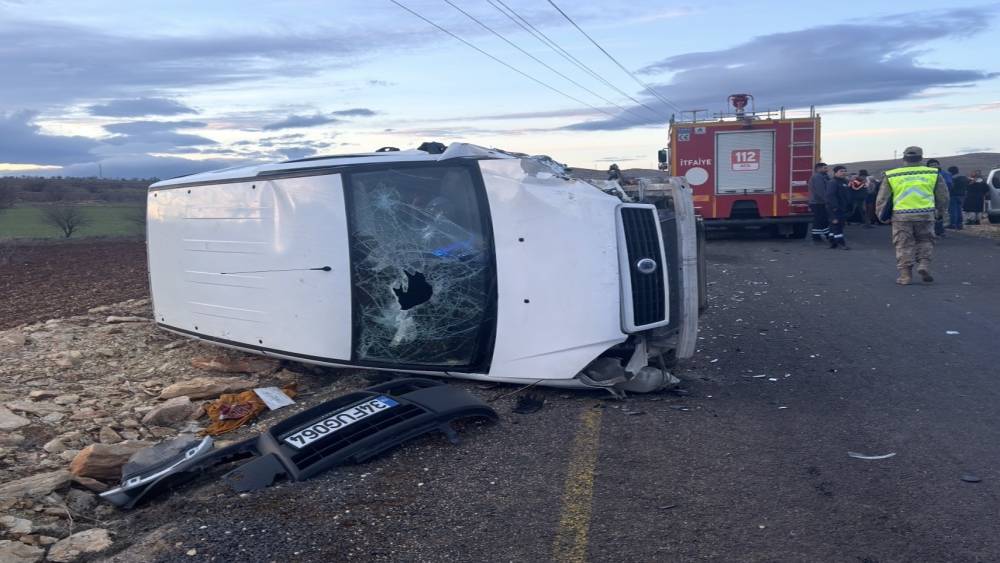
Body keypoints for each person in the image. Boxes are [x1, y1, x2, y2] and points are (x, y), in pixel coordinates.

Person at [876, 146, 948, 285]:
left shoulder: (892, 175)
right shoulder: (933, 173)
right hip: (925, 214)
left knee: (903, 244)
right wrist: (941, 212)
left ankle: (905, 276)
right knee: (926, 240)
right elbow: (943, 196)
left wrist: (881, 216)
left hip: (901, 216)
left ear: (904, 158)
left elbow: (882, 198)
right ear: (921, 158)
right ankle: (924, 264)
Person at [825, 165, 851, 249]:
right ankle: (841, 243)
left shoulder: (844, 182)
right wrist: (834, 207)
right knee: (837, 225)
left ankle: (832, 242)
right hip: (835, 208)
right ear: (835, 173)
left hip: (842, 207)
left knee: (834, 226)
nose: (843, 173)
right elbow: (830, 195)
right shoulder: (833, 182)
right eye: (841, 171)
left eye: (844, 171)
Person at [926, 158, 952, 236]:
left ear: (938, 165)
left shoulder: (944, 174)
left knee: (940, 214)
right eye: (931, 165)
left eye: (935, 164)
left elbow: (949, 184)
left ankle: (939, 231)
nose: (934, 166)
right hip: (930, 196)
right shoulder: (926, 174)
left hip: (941, 196)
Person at [808, 162, 830, 242]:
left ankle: (819, 235)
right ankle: (817, 236)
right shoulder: (817, 177)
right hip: (817, 202)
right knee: (820, 219)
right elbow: (820, 191)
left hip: (819, 202)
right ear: (818, 169)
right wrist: (827, 200)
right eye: (825, 168)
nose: (826, 169)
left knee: (821, 219)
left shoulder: (823, 177)